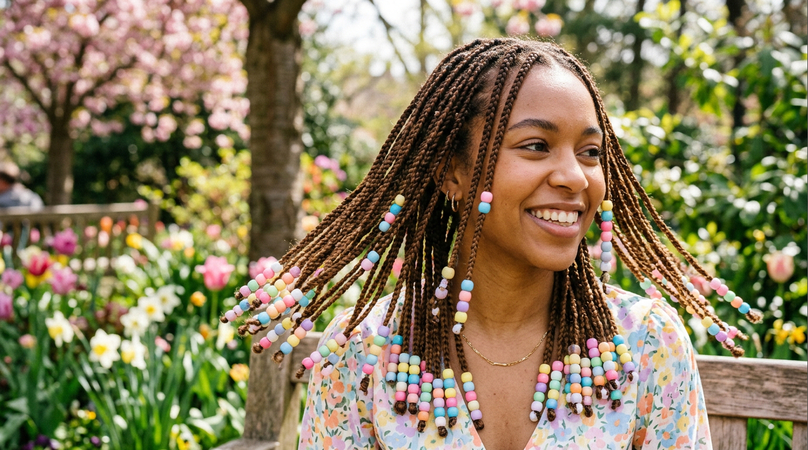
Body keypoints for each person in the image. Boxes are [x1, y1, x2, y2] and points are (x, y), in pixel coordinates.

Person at [222, 39, 760, 449]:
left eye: (591, 153)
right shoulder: (363, 354)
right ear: (451, 172)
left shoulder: (646, 345)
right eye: (536, 145)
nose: (575, 176)